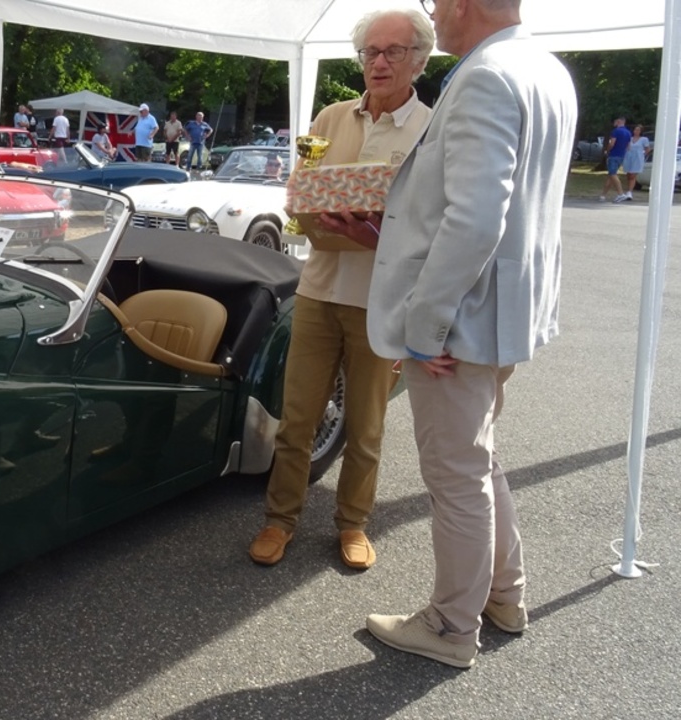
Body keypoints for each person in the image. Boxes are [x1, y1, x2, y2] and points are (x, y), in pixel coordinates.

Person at [358, 0, 577, 668]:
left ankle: (452, 627)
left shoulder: (486, 74)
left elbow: (476, 218)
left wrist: (427, 327)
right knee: (477, 460)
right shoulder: (545, 69)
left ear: (462, 3)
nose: (435, 14)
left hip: (461, 320)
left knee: (455, 475)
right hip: (502, 313)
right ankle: (504, 595)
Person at [247, 8, 433, 571]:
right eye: (370, 52)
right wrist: (300, 201)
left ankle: (353, 523)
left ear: (419, 60)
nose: (379, 62)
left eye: (393, 51)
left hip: (382, 299)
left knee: (365, 427)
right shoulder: (330, 116)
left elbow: (433, 222)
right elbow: (304, 191)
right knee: (297, 419)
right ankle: (280, 520)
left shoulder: (432, 127)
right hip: (319, 289)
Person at [599, 116, 632, 202]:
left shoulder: (616, 131)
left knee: (612, 174)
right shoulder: (628, 132)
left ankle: (620, 194)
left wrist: (607, 150)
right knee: (611, 176)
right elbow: (628, 146)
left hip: (614, 155)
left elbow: (612, 143)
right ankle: (603, 195)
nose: (614, 123)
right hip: (621, 155)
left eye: (615, 121)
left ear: (618, 121)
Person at [619, 124, 651, 201]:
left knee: (633, 175)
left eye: (638, 130)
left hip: (638, 158)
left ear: (641, 131)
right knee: (629, 175)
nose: (636, 131)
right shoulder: (630, 138)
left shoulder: (644, 139)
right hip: (628, 157)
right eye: (635, 130)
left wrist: (642, 154)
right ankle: (628, 189)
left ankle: (629, 192)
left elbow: (647, 149)